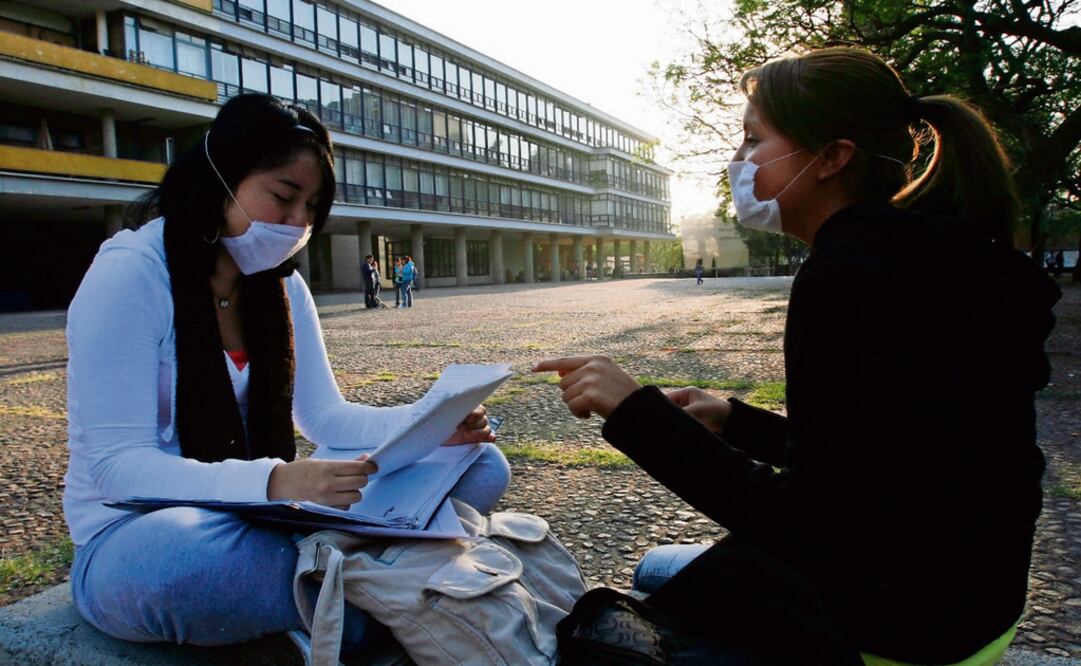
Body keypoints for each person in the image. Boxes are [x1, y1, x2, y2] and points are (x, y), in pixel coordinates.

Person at [536, 47, 1060, 665]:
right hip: (978, 594)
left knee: (612, 618)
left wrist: (634, 413)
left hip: (907, 626)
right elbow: (884, 463)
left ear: (831, 158)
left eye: (753, 141)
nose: (739, 163)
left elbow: (814, 525)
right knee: (658, 568)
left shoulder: (850, 278)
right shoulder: (936, 258)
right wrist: (735, 419)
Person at [63, 94, 511, 653]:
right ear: (221, 177)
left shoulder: (280, 284)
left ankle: (351, 594)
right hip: (142, 529)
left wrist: (429, 425)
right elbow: (116, 468)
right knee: (186, 567)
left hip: (271, 514)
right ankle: (388, 586)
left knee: (480, 463)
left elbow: (325, 415)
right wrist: (274, 480)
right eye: (283, 197)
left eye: (313, 207)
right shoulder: (131, 275)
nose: (297, 223)